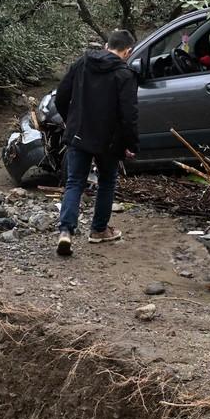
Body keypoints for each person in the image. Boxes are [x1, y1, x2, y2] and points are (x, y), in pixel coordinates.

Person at [53, 29, 140, 256]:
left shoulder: (82, 63)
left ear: (106, 46)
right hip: (109, 141)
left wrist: (70, 121)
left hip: (79, 134)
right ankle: (98, 230)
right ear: (127, 51)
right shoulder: (125, 75)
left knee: (74, 182)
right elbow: (129, 114)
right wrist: (131, 143)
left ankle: (65, 232)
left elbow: (61, 96)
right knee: (107, 182)